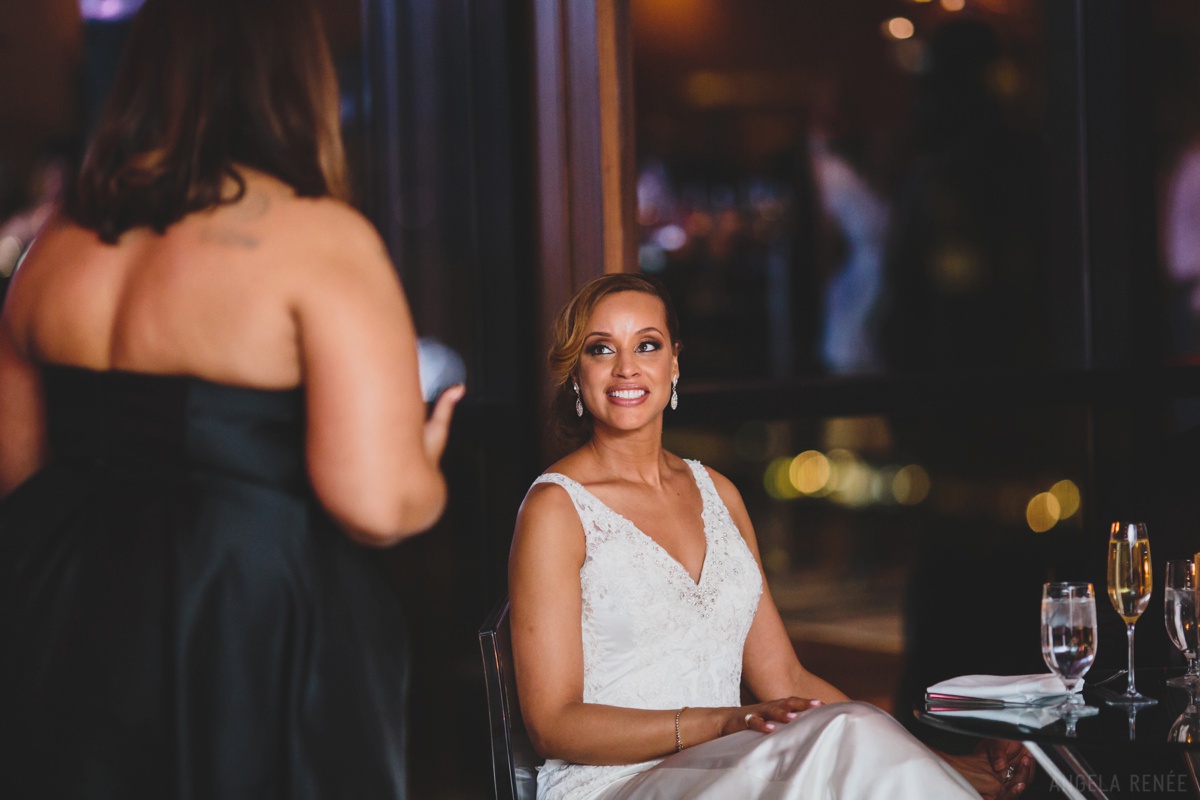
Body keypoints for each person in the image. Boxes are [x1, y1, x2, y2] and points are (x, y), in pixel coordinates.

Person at [0, 0, 462, 797]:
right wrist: (421, 462)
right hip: (238, 631)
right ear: (292, 73)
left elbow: (14, 474)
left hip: (54, 620)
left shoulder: (55, 245)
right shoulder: (318, 238)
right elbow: (376, 503)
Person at [508, 273, 1032, 800]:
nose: (627, 367)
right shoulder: (556, 508)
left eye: (647, 344)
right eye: (602, 349)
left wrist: (941, 762)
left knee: (848, 731)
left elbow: (786, 678)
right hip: (616, 784)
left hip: (729, 766)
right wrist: (722, 722)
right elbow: (552, 723)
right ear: (578, 372)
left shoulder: (719, 494)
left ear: (674, 364)